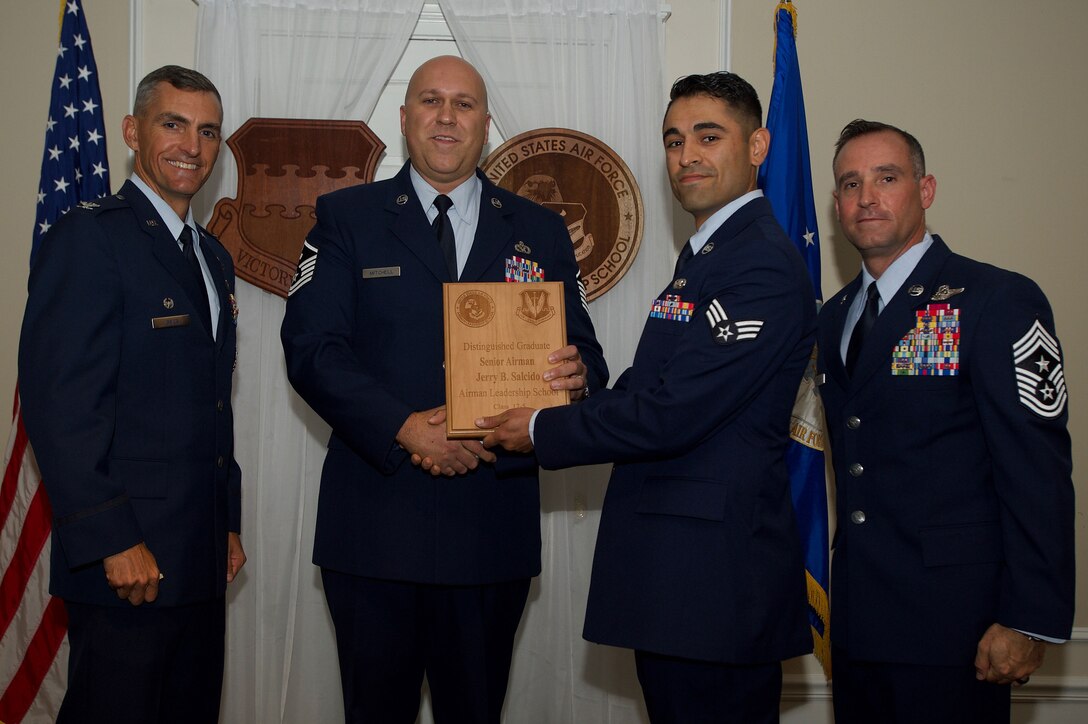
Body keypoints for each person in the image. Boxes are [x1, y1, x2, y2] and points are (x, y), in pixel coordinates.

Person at [479, 71, 815, 723]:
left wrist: (544, 428)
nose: (686, 155)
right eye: (673, 139)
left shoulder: (762, 265)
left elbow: (674, 413)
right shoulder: (707, 259)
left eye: (708, 136)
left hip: (715, 588)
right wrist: (572, 394)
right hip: (680, 584)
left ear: (758, 146)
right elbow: (652, 389)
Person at [280, 55, 607, 723]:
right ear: (405, 120)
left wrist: (577, 380)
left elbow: (588, 362)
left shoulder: (539, 230)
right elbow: (312, 349)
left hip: (490, 533)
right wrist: (405, 426)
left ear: (486, 124)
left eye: (464, 104)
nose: (448, 116)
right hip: (375, 531)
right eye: (431, 101)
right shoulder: (347, 217)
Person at [817, 119, 1075, 723]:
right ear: (836, 205)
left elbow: (1036, 470)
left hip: (958, 630)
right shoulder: (832, 320)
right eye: (850, 184)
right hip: (859, 627)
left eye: (887, 178)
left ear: (925, 190)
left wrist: (1027, 617)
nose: (867, 197)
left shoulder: (994, 300)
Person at [18, 65, 245, 724]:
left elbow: (211, 401)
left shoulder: (211, 257)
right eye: (172, 124)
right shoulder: (91, 237)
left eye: (207, 132)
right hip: (128, 558)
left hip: (196, 554)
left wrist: (225, 521)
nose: (191, 147)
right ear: (131, 131)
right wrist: (112, 537)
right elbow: (61, 405)